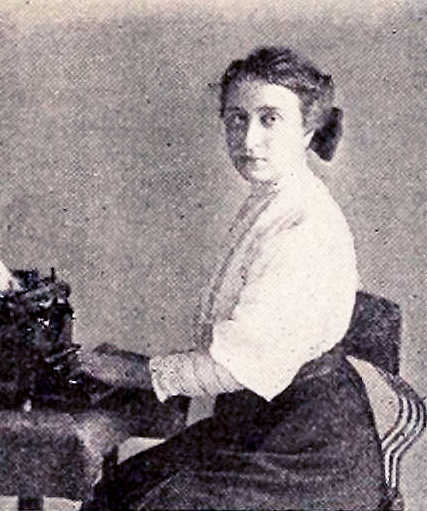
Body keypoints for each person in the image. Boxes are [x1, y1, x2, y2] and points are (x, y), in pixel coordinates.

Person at [79, 47, 387, 510]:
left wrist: (136, 372)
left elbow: (235, 368)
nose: (249, 139)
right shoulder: (272, 201)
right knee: (121, 488)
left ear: (308, 128)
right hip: (263, 422)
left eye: (269, 119)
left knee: (150, 503)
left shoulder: (302, 227)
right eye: (237, 119)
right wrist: (139, 366)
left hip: (308, 450)